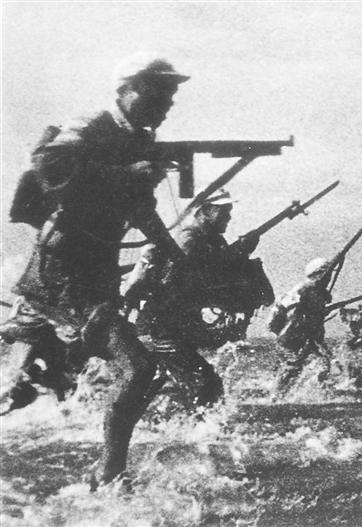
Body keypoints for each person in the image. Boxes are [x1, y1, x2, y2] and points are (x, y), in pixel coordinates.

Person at [0, 52, 190, 488]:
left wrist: (173, 253)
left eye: (170, 95)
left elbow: (140, 209)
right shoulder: (91, 126)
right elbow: (49, 167)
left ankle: (39, 393)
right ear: (126, 90)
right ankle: (110, 472)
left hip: (95, 273)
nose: (166, 102)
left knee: (50, 378)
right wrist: (127, 172)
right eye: (157, 92)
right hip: (64, 272)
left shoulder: (137, 141)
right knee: (137, 367)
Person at [122, 187, 272, 409]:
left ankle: (169, 419)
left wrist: (240, 254)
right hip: (162, 325)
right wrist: (238, 252)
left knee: (179, 382)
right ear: (205, 211)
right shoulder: (189, 239)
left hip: (177, 324)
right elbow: (192, 276)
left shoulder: (213, 241)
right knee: (206, 384)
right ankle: (192, 425)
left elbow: (219, 275)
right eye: (223, 211)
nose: (228, 217)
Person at [268, 257, 333, 397]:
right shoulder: (305, 289)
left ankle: (313, 394)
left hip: (306, 336)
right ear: (317, 274)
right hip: (291, 334)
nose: (329, 277)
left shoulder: (319, 292)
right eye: (326, 273)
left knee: (324, 364)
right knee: (293, 366)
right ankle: (276, 397)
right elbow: (289, 310)